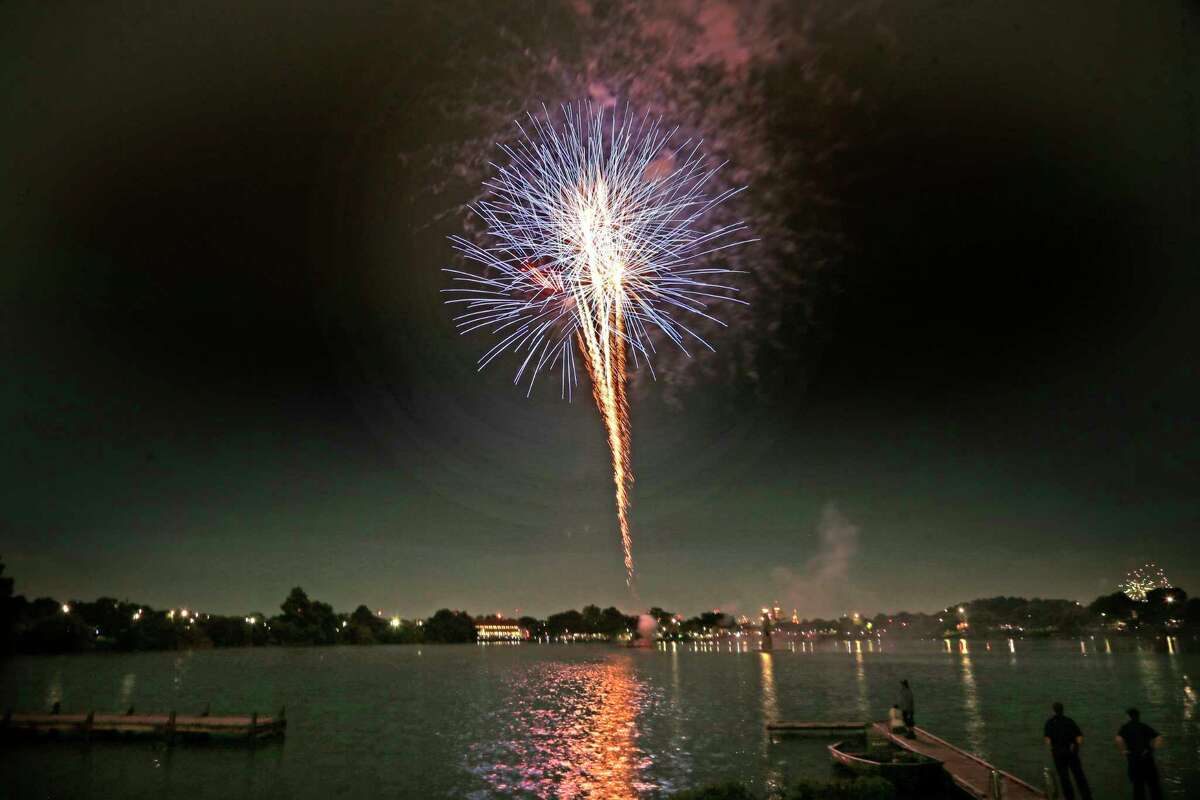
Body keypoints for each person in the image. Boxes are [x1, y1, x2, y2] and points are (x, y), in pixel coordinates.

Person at [1043, 702, 1092, 800]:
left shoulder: (1050, 723)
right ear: (1062, 710)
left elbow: (1047, 740)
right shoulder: (1069, 721)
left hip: (1058, 753)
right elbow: (1079, 737)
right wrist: (1077, 747)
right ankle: (1087, 797)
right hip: (1071, 752)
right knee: (1079, 776)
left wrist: (1051, 749)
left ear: (1053, 710)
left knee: (1064, 778)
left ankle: (1070, 797)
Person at [1117, 708, 1163, 800]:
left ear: (1128, 716)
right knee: (1153, 785)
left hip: (1134, 759)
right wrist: (1153, 749)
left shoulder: (1125, 727)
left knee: (1138, 786)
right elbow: (1158, 737)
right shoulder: (1143, 726)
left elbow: (1118, 739)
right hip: (1147, 758)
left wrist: (1123, 750)